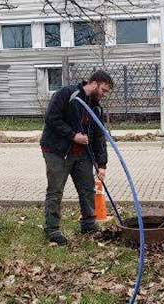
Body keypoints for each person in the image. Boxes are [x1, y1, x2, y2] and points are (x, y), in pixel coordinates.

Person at [40, 70, 113, 246]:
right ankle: (52, 229)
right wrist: (73, 136)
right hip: (57, 151)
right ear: (94, 83)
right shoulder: (67, 94)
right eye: (103, 90)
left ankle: (88, 223)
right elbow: (52, 119)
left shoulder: (95, 107)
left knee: (87, 188)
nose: (103, 95)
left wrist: (102, 164)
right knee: (56, 189)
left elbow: (98, 137)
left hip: (81, 154)